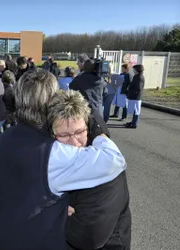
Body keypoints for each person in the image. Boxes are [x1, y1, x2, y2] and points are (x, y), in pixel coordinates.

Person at [0, 70, 126, 250]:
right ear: (51, 102)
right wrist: (95, 128)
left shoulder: (9, 136)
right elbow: (115, 160)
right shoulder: (54, 154)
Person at [47, 90, 131, 250]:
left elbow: (89, 236)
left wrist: (55, 214)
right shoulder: (56, 157)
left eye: (79, 132)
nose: (74, 142)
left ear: (88, 127)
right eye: (63, 135)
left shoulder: (104, 165)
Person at [125, 64, 145, 129]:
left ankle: (134, 124)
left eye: (134, 69)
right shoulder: (137, 76)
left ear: (137, 70)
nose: (133, 70)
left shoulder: (139, 77)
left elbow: (138, 88)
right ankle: (133, 122)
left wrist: (130, 91)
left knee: (136, 111)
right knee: (135, 110)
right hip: (135, 96)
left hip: (136, 96)